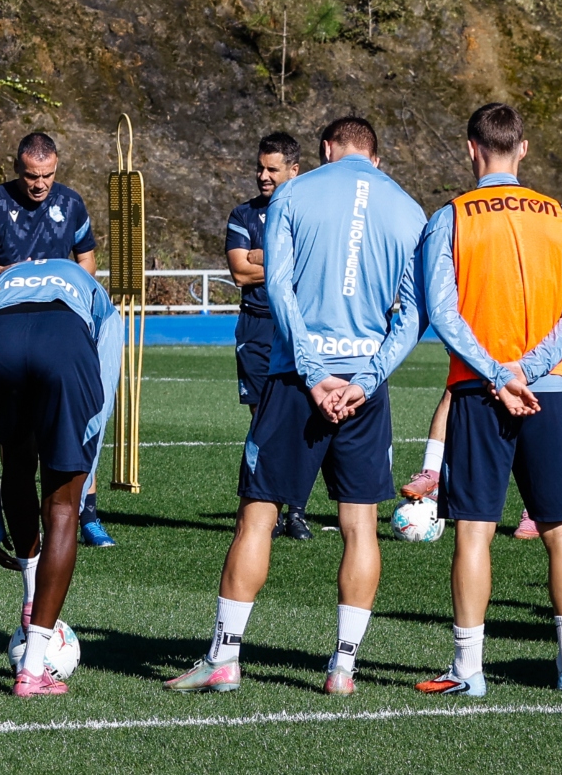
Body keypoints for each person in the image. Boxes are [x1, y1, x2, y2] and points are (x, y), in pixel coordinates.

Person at [166, 116, 424, 698]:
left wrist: (312, 374)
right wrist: (366, 377)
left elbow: (275, 286)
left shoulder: (293, 195)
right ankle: (343, 669)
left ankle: (225, 659)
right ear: (375, 155)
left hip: (293, 379)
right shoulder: (410, 210)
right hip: (365, 385)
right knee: (359, 526)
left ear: (327, 150)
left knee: (258, 513)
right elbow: (413, 314)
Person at [413, 102, 562, 698]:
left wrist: (497, 373)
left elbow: (442, 312)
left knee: (474, 534)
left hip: (478, 392)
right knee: (561, 532)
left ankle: (469, 670)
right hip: (547, 393)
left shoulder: (450, 217)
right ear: (523, 148)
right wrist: (531, 369)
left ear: (472, 150)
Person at [0, 259, 123, 696]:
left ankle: (32, 592)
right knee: (62, 506)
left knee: (15, 459)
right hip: (65, 343)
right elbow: (104, 393)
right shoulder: (91, 286)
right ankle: (34, 669)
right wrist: (83, 469)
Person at [0, 132, 111, 545]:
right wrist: (2, 272)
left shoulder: (71, 202)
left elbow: (87, 258)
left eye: (47, 175)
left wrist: (76, 293)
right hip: (12, 324)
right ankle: (24, 528)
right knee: (19, 442)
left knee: (77, 419)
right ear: (17, 169)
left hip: (63, 324)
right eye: (31, 176)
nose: (40, 183)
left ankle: (88, 514)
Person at [224, 131, 308, 539]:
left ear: (294, 170)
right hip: (256, 328)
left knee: (298, 418)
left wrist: (264, 255)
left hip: (295, 327)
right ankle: (264, 512)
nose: (262, 175)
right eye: (260, 167)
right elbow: (240, 271)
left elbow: (313, 264)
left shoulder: (310, 213)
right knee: (263, 421)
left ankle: (296, 512)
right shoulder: (243, 215)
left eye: (272, 168)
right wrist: (285, 259)